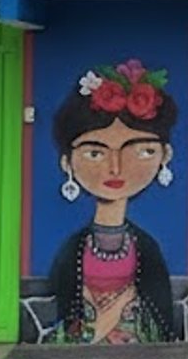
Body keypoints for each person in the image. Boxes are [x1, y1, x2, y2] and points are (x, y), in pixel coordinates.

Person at [48, 59, 180, 343]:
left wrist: (123, 309)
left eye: (141, 151)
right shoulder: (73, 250)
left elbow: (159, 312)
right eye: (95, 153)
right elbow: (64, 306)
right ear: (66, 162)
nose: (116, 168)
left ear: (165, 156)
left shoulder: (147, 247)